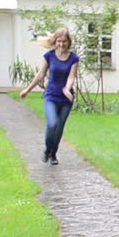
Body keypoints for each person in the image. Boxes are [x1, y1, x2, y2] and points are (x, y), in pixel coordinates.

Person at [20, 27, 79, 165]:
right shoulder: (49, 56)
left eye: (64, 41)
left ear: (68, 42)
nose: (61, 44)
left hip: (66, 99)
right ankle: (47, 150)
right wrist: (27, 89)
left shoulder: (74, 58)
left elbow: (71, 77)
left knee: (59, 128)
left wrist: (67, 88)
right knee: (52, 124)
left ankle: (53, 154)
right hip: (51, 96)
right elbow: (40, 74)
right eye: (59, 41)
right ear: (55, 41)